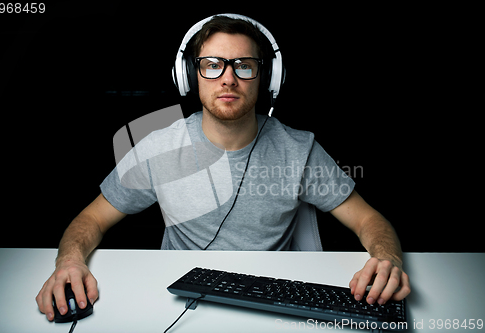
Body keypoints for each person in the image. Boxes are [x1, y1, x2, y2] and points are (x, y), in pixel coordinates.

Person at [36, 14, 410, 321]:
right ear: (189, 77)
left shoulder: (299, 150)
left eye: (243, 66)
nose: (228, 78)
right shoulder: (158, 147)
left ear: (266, 79)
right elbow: (92, 219)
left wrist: (387, 258)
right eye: (212, 65)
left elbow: (368, 220)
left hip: (271, 302)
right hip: (177, 300)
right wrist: (69, 263)